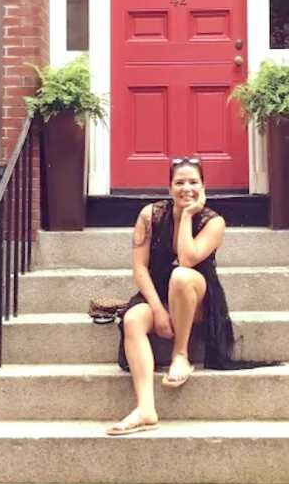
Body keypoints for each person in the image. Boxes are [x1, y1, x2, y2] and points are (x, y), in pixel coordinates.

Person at [107, 157, 272, 437]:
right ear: (169, 187)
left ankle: (180, 353)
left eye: (193, 182)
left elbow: (187, 259)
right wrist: (158, 311)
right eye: (179, 182)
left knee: (180, 276)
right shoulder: (150, 215)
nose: (186, 188)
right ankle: (145, 408)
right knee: (133, 319)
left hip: (196, 298)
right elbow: (139, 268)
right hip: (158, 294)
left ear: (204, 186)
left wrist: (186, 216)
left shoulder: (214, 222)